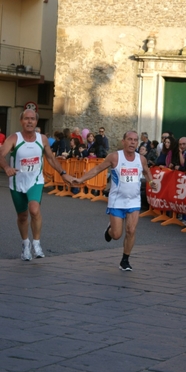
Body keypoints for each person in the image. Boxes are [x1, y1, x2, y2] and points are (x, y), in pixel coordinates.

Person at [72, 130, 156, 271]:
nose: (133, 142)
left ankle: (125, 260)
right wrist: (80, 180)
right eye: (129, 139)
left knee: (131, 230)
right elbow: (97, 169)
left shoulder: (141, 159)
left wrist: (152, 182)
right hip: (117, 200)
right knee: (117, 235)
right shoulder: (115, 157)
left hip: (134, 200)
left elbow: (147, 171)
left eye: (135, 140)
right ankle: (110, 230)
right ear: (123, 141)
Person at [0, 109, 73, 261]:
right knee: (22, 216)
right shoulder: (15, 138)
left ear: (36, 122)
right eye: (26, 118)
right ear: (21, 121)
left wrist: (63, 173)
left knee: (34, 210)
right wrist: (7, 167)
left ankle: (37, 243)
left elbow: (51, 159)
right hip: (17, 182)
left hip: (35, 180)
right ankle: (25, 244)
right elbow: (1, 154)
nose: (29, 121)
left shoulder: (42, 139)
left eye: (32, 119)